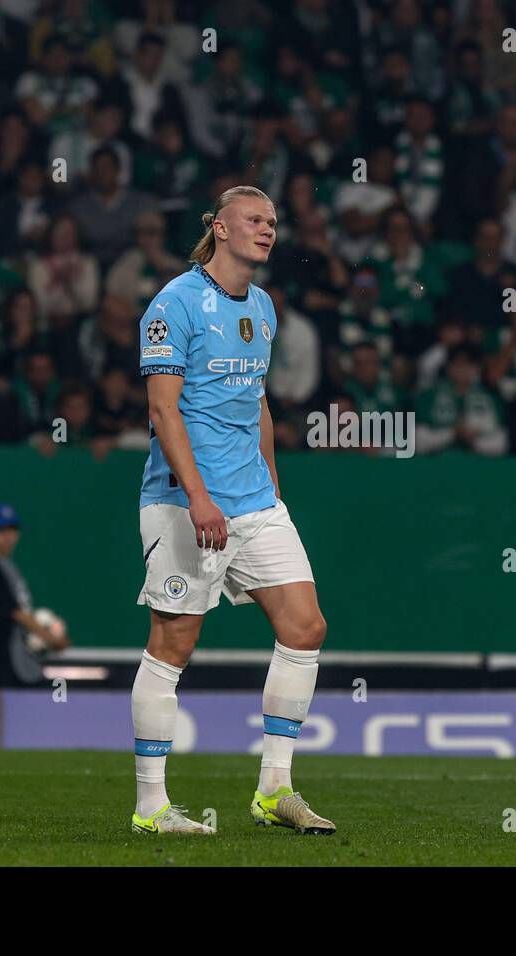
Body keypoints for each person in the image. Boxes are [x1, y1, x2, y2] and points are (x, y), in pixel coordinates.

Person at [133, 185, 332, 836]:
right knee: (174, 644)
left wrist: (272, 484)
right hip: (184, 502)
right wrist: (198, 497)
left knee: (305, 626)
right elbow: (163, 410)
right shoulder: (175, 303)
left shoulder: (267, 308)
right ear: (219, 228)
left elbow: (258, 402)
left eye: (273, 222)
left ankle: (274, 788)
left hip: (254, 501)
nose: (267, 229)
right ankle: (151, 807)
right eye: (254, 220)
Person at [0, 504, 70, 691]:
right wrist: (51, 639)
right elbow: (15, 613)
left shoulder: (7, 566)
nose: (7, 535)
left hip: (15, 661)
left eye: (12, 529)